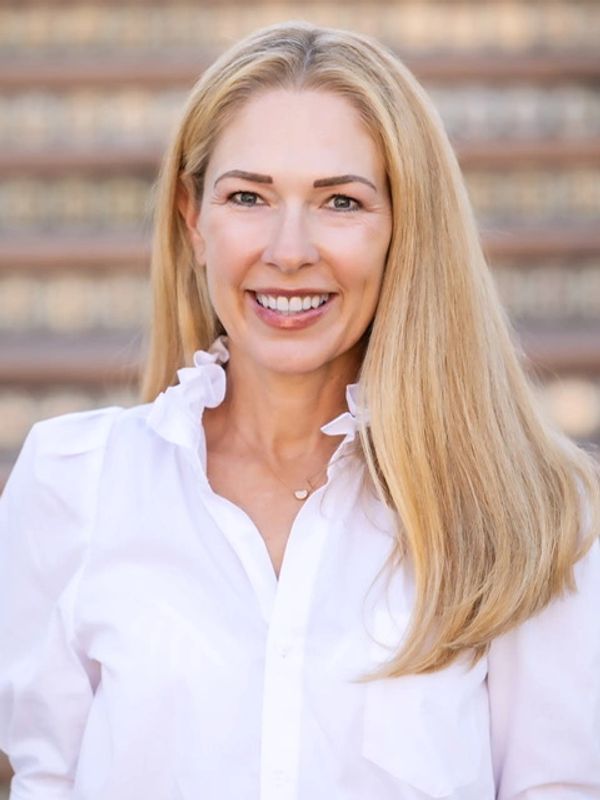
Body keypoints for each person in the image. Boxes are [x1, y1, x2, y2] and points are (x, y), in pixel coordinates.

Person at [1, 20, 599, 800]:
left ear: (405, 229)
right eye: (247, 196)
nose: (289, 249)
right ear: (194, 220)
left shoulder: (532, 513)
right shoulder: (72, 486)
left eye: (340, 201)